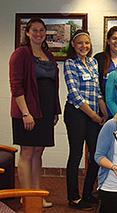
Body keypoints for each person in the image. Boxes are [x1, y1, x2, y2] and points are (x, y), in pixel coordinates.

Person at [9, 17, 61, 208]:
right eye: (35, 30)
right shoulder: (21, 54)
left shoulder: (48, 54)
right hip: (27, 112)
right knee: (27, 152)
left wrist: (55, 110)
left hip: (45, 112)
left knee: (38, 152)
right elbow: (16, 86)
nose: (38, 34)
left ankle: (36, 195)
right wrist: (25, 113)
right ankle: (26, 196)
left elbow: (53, 85)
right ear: (28, 33)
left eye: (41, 30)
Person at [63, 29, 108, 210]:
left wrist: (104, 113)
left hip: (93, 115)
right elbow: (75, 94)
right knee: (76, 155)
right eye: (80, 43)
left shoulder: (93, 62)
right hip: (76, 114)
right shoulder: (69, 63)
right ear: (73, 45)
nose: (84, 46)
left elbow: (97, 92)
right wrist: (95, 116)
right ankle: (73, 198)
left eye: (87, 43)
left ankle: (88, 193)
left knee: (96, 155)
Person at [94, 26, 117, 99]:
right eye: (114, 38)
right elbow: (95, 84)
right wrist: (100, 101)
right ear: (108, 41)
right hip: (103, 103)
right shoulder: (99, 58)